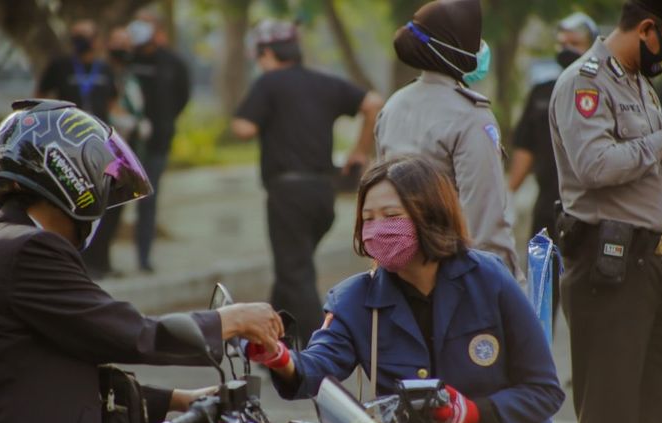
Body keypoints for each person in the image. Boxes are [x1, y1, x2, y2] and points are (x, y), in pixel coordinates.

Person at [0, 100, 283, 423]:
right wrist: (231, 319)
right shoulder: (27, 250)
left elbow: (62, 368)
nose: (105, 206)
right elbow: (127, 332)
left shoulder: (2, 241)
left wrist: (179, 401)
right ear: (74, 174)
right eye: (106, 187)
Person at [249, 156, 569, 423]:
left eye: (391, 216)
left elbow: (543, 389)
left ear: (431, 214)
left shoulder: (489, 279)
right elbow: (315, 367)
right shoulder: (356, 299)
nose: (377, 229)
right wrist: (278, 356)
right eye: (367, 219)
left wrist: (473, 412)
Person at [549, 1, 662, 423]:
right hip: (606, 263)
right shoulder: (585, 82)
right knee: (610, 410)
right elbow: (594, 165)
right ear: (647, 28)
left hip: (654, 260)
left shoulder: (638, 83)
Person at [231, 19, 384, 346]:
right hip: (322, 194)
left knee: (296, 274)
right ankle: (269, 342)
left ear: (267, 53)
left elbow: (242, 127)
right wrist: (359, 152)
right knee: (292, 270)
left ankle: (322, 353)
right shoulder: (324, 82)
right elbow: (373, 103)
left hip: (288, 195)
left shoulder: (269, 83)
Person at [375, 0, 522, 280]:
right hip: (453, 277)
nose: (481, 49)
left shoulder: (393, 106)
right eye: (474, 40)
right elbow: (486, 223)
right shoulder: (470, 116)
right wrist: (511, 287)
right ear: (455, 47)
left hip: (400, 270)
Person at [509, 12, 598, 238]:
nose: (566, 49)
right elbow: (525, 148)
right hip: (548, 206)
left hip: (593, 210)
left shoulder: (605, 91)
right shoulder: (542, 93)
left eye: (575, 44)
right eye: (562, 44)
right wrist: (507, 198)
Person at [82, 26, 151, 279]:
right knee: (100, 207)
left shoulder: (129, 76)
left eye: (127, 43)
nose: (124, 48)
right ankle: (91, 262)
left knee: (118, 207)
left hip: (126, 151)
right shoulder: (102, 73)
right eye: (118, 42)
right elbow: (108, 107)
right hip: (103, 150)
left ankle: (103, 261)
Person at [127, 14, 190, 273]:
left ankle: (144, 258)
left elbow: (182, 98)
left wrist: (162, 124)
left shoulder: (173, 63)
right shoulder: (127, 60)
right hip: (121, 142)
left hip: (156, 143)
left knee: (148, 201)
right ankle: (96, 259)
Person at [36, 19, 117, 123]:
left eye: (84, 36)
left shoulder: (106, 69)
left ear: (96, 40)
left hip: (98, 129)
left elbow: (112, 101)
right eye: (76, 36)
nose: (79, 40)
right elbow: (40, 95)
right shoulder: (59, 66)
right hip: (66, 127)